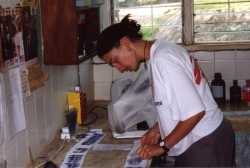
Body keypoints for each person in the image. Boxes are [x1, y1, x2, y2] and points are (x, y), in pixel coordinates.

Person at [96, 14, 235, 167]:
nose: (119, 68)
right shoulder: (156, 55)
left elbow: (195, 113)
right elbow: (175, 105)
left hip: (205, 142)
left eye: (115, 61)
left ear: (125, 43)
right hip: (196, 140)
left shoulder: (164, 59)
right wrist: (158, 129)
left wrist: (162, 147)